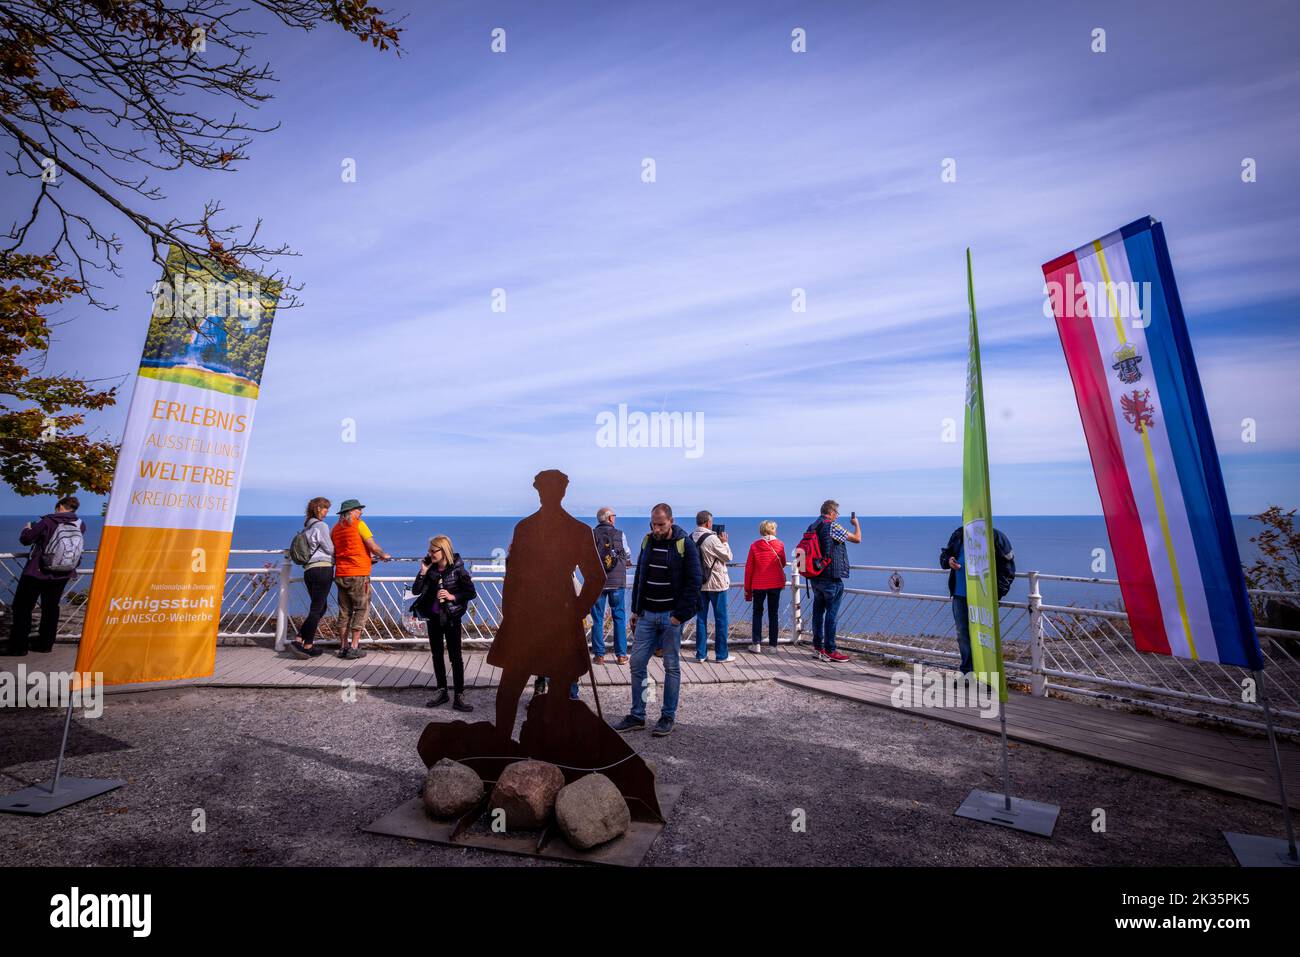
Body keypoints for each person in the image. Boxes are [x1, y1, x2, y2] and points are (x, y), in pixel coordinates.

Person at [488, 470, 605, 737]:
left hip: (539, 616)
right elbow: (514, 573)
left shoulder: (530, 528)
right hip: (544, 616)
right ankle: (517, 743)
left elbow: (597, 577)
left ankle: (515, 743)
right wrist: (577, 610)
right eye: (545, 489)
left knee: (530, 686)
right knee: (526, 685)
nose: (548, 494)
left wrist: (577, 610)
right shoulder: (570, 529)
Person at [613, 503, 702, 737]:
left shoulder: (685, 544)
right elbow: (641, 574)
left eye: (661, 524)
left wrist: (678, 617)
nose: (657, 529)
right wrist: (635, 610)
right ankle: (638, 714)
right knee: (637, 663)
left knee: (671, 666)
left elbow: (695, 582)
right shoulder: (648, 541)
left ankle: (667, 716)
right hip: (647, 615)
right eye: (654, 524)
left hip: (670, 616)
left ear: (671, 521)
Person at [0, 495, 85, 657]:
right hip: (63, 573)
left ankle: (18, 647)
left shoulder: (48, 521)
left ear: (60, 506)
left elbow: (26, 539)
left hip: (38, 572)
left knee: (23, 608)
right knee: (51, 608)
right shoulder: (80, 524)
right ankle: (45, 644)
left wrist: (27, 528)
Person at [939, 524, 1016, 678]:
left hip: (984, 596)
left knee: (986, 636)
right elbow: (944, 556)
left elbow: (1008, 568)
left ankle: (988, 677)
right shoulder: (959, 534)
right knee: (963, 636)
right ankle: (968, 674)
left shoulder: (995, 536)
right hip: (960, 595)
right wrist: (949, 561)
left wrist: (997, 594)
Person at [412, 535, 476, 712]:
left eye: (434, 551)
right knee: (437, 655)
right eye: (429, 551)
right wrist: (423, 572)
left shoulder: (458, 569)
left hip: (451, 618)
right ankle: (442, 691)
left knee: (456, 657)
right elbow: (416, 590)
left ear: (443, 550)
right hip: (433, 618)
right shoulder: (430, 568)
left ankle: (459, 696)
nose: (430, 554)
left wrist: (452, 596)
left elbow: (471, 593)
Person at [330, 499, 391, 660]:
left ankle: (343, 646)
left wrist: (365, 558)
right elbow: (372, 545)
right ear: (351, 512)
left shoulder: (335, 529)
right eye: (358, 510)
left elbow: (344, 550)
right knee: (361, 609)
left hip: (342, 573)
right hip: (358, 574)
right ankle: (354, 646)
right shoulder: (359, 524)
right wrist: (383, 554)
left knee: (344, 611)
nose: (361, 512)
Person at [803, 500, 860, 663]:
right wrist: (856, 524)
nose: (837, 516)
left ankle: (818, 648)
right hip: (831, 577)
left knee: (818, 614)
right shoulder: (833, 526)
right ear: (832, 512)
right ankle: (830, 649)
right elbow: (857, 538)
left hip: (815, 576)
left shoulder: (813, 526)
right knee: (832, 615)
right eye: (837, 513)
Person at [289, 496, 333, 659]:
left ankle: (302, 641)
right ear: (318, 509)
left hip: (309, 570)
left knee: (320, 607)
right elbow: (329, 549)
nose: (327, 512)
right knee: (317, 608)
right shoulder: (321, 526)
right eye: (325, 508)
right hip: (322, 568)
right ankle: (304, 643)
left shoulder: (306, 527)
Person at [590, 507, 632, 664]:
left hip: (597, 582)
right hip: (616, 582)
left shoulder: (592, 534)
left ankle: (599, 655)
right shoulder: (620, 534)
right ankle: (621, 655)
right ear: (610, 519)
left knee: (597, 619)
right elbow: (627, 553)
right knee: (619, 617)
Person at [690, 510, 734, 662]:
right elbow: (728, 557)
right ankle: (721, 655)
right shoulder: (712, 539)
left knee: (700, 619)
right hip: (716, 584)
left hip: (698, 584)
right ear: (709, 522)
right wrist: (725, 542)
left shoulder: (690, 537)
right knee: (721, 619)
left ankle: (701, 654)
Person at [743, 520, 787, 653]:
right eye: (775, 528)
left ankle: (756, 643)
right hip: (775, 583)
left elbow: (749, 569)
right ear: (772, 530)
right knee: (773, 613)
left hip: (758, 584)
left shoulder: (754, 545)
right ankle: (773, 646)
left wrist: (747, 589)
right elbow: (783, 563)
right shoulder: (779, 544)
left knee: (757, 613)